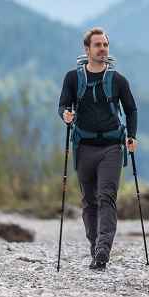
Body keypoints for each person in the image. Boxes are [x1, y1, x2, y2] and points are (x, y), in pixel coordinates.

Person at [58, 27, 138, 271]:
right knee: (89, 201)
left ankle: (103, 249)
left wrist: (132, 136)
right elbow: (62, 105)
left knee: (106, 197)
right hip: (84, 147)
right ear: (87, 49)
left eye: (105, 45)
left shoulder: (118, 80)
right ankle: (95, 247)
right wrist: (66, 115)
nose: (102, 49)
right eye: (98, 45)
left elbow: (131, 109)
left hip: (112, 147)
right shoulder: (73, 78)